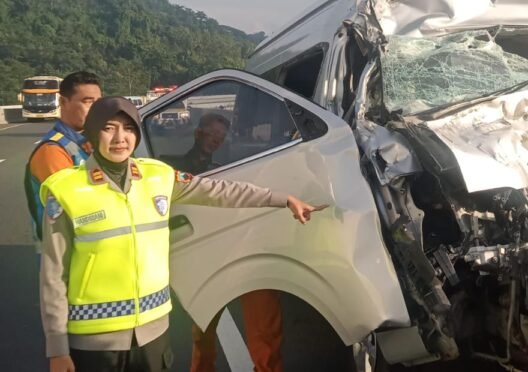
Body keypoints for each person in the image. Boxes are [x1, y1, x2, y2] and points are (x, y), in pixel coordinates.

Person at [39, 97, 320, 372]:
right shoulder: (66, 190)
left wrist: (282, 199)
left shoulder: (157, 176)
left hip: (153, 334)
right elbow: (53, 275)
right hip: (93, 341)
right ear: (93, 132)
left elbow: (220, 191)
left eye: (128, 129)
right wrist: (57, 349)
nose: (120, 138)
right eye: (109, 128)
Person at [172, 113, 286, 372]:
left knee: (265, 333)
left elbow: (237, 194)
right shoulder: (173, 170)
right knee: (202, 331)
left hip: (240, 251)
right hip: (202, 256)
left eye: (220, 137)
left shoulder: (229, 168)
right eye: (211, 135)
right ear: (198, 134)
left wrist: (284, 200)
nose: (215, 140)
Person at [25, 71, 102, 246]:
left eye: (98, 103)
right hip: (65, 252)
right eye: (87, 101)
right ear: (62, 102)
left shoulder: (90, 142)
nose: (95, 109)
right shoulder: (52, 150)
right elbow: (75, 205)